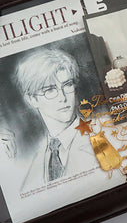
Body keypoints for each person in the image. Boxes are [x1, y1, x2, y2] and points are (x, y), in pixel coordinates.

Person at [13, 48, 98, 190]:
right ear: (31, 99)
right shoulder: (34, 163)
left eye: (68, 85)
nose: (63, 97)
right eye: (50, 90)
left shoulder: (102, 136)